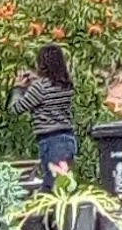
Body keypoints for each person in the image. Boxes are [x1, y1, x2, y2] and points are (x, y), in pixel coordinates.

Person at [9, 38, 81, 182]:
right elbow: (51, 86)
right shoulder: (66, 84)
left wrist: (18, 88)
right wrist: (36, 79)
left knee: (51, 184)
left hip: (50, 140)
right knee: (64, 183)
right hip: (67, 139)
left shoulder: (40, 88)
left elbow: (15, 108)